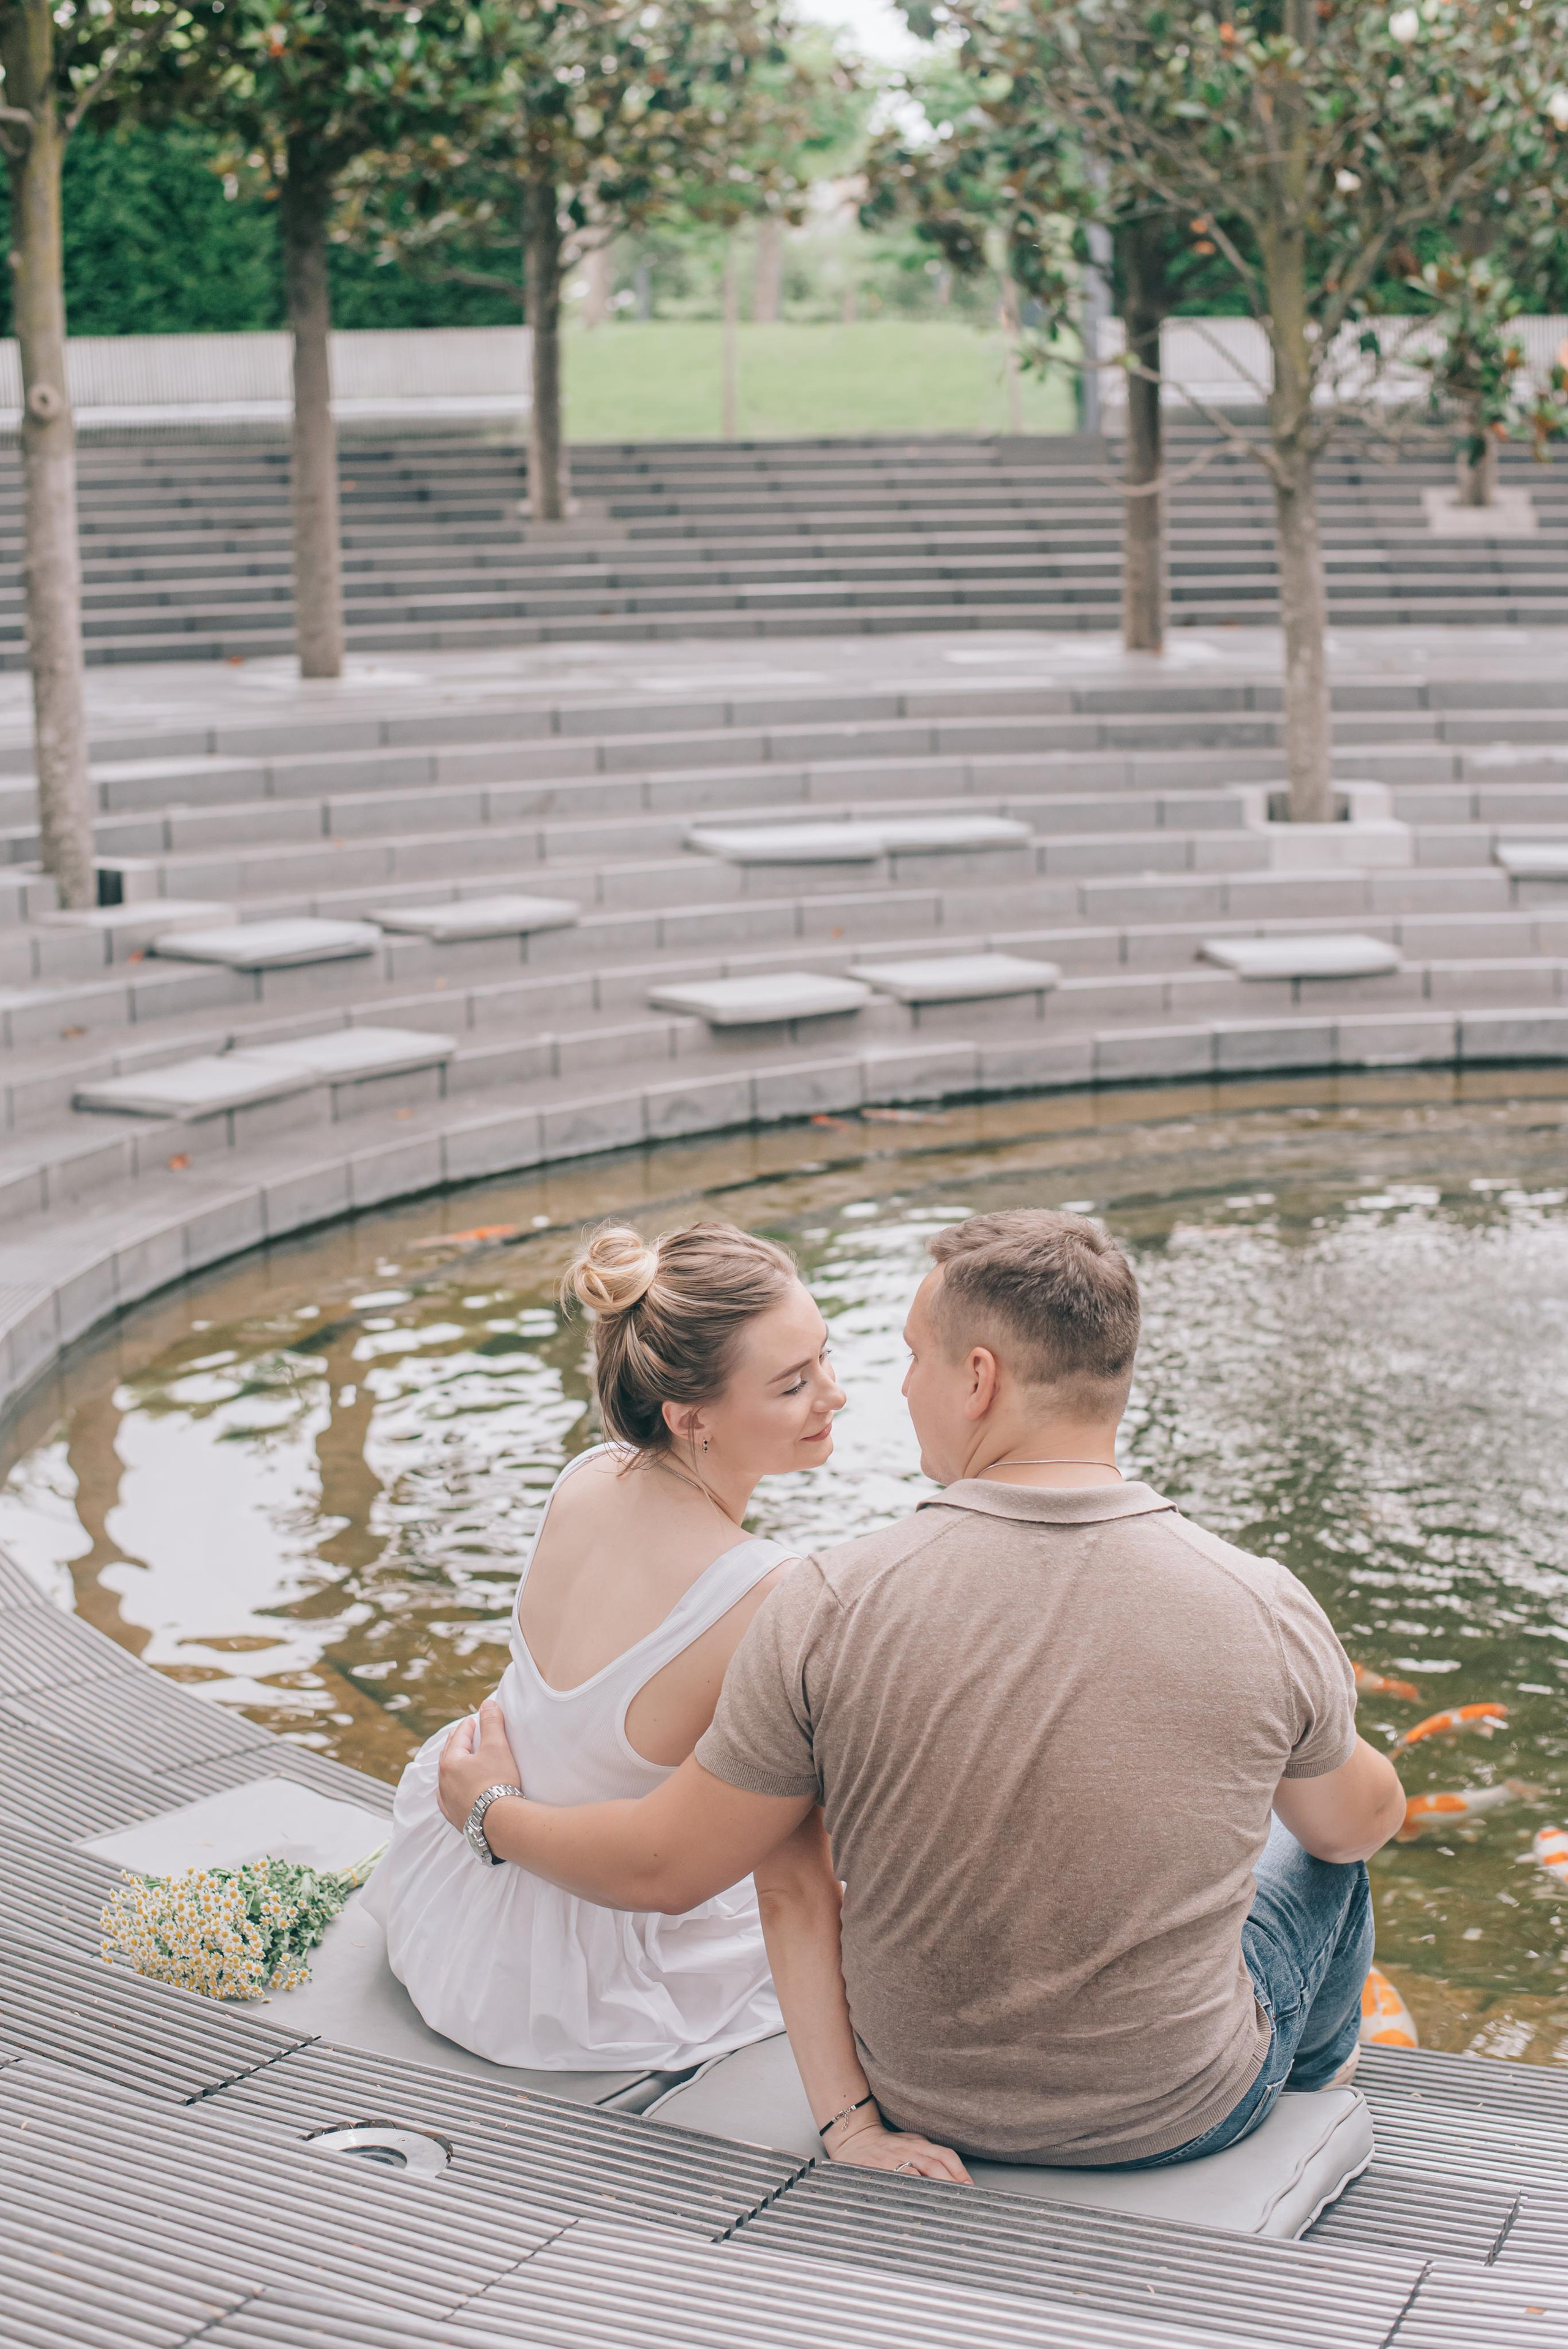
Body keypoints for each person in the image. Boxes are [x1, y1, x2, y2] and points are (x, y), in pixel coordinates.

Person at [437, 1208, 1406, 2174]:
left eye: (911, 1357)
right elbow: (1361, 1824)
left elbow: (774, 1880)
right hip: (1181, 2110)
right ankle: (1315, 2087)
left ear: (977, 1378)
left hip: (920, 2094)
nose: (880, 1389)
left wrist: (853, 2123)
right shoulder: (1259, 1599)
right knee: (1319, 1845)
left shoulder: (822, 1600)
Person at [363, 1217, 851, 2076]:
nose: (834, 1393)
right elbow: (667, 1873)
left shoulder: (587, 1476)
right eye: (792, 1383)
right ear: (690, 1414)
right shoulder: (767, 1589)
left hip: (456, 1907)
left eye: (825, 1355)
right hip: (573, 1982)